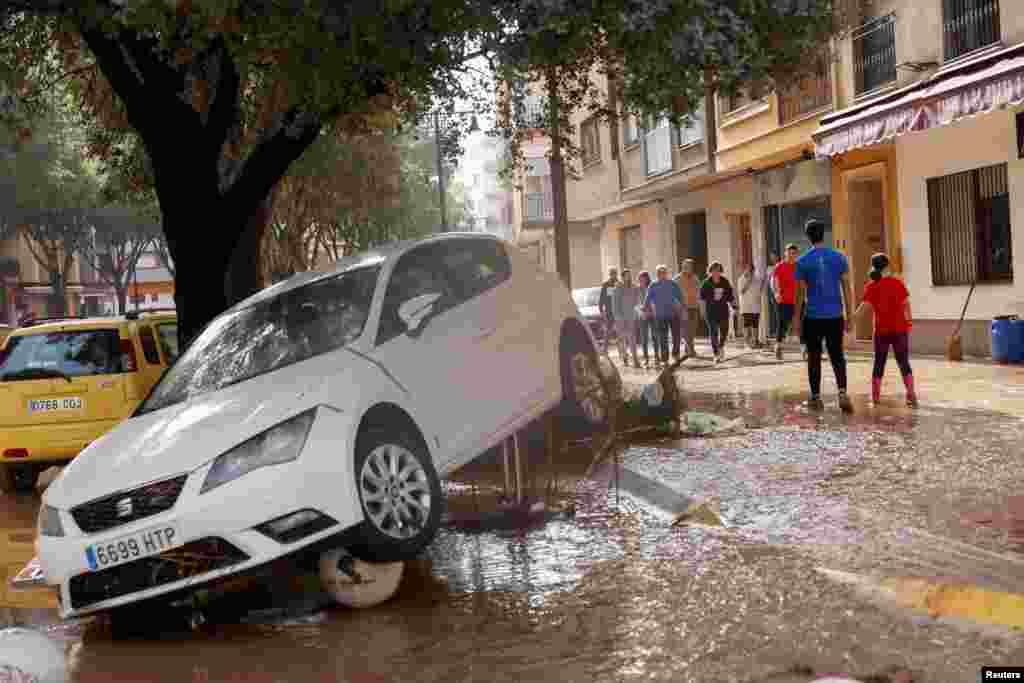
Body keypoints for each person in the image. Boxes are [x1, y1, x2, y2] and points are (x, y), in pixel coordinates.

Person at [794, 219, 853, 412]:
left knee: (814, 356)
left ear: (808, 236)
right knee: (837, 355)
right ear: (824, 233)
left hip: (813, 317)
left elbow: (800, 294)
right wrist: (849, 316)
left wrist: (796, 320)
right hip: (835, 315)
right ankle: (843, 393)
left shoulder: (802, 261)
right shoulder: (839, 257)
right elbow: (846, 287)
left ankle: (816, 397)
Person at [854, 253, 917, 407]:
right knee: (903, 362)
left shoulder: (871, 287)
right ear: (887, 266)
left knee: (879, 363)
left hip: (881, 331)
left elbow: (863, 309)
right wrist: (909, 321)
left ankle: (875, 398)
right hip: (900, 329)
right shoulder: (897, 283)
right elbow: (906, 304)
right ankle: (911, 394)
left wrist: (849, 321)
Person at [644, 265, 682, 366]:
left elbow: (680, 297)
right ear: (657, 274)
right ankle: (665, 359)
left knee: (676, 336)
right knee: (663, 338)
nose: (662, 274)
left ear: (667, 273)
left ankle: (676, 354)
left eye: (664, 272)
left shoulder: (673, 284)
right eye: (660, 273)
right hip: (660, 316)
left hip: (674, 314)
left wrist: (682, 308)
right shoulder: (653, 285)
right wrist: (645, 309)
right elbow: (647, 299)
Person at [699, 262, 735, 364]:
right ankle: (716, 354)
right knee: (713, 333)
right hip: (711, 312)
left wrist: (734, 306)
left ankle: (721, 346)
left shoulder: (725, 282)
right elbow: (701, 299)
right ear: (711, 271)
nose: (716, 272)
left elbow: (730, 296)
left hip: (723, 310)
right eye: (714, 270)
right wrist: (702, 311)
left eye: (718, 270)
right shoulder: (706, 283)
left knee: (724, 331)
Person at [771, 244, 799, 360]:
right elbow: (774, 280)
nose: (791, 255)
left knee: (802, 322)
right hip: (782, 300)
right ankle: (778, 346)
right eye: (789, 253)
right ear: (785, 253)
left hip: (797, 300)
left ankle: (805, 348)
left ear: (797, 254)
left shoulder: (799, 266)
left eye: (794, 253)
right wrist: (777, 293)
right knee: (783, 323)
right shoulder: (779, 266)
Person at [610, 269, 641, 368]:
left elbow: (638, 301)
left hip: (631, 317)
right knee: (622, 339)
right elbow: (614, 304)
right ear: (622, 277)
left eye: (629, 275)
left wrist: (638, 313)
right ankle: (624, 357)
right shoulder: (617, 288)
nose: (629, 277)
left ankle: (635, 359)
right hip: (621, 318)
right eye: (626, 276)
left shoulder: (634, 287)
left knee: (632, 338)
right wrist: (618, 317)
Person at [675, 259, 701, 359]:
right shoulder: (677, 279)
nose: (688, 268)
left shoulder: (695, 278)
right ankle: (690, 349)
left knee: (693, 329)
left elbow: (699, 290)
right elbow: (674, 294)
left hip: (694, 306)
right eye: (686, 266)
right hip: (683, 307)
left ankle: (689, 348)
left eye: (690, 266)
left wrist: (699, 301)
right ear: (683, 267)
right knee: (685, 330)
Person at [737, 260, 766, 349]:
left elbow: (760, 290)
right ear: (745, 269)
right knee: (747, 324)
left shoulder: (757, 279)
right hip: (746, 306)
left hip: (756, 305)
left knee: (755, 324)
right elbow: (742, 291)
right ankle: (747, 342)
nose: (750, 271)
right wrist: (749, 281)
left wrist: (763, 282)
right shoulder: (741, 279)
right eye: (748, 269)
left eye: (751, 270)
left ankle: (755, 341)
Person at [635, 271, 654, 368]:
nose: (642, 280)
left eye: (644, 278)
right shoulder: (637, 289)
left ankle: (657, 357)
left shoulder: (652, 286)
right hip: (642, 316)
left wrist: (652, 312)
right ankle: (646, 358)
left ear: (647, 278)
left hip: (653, 315)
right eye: (640, 278)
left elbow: (655, 300)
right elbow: (635, 303)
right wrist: (641, 313)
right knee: (644, 338)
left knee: (655, 336)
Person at [598, 267, 619, 353]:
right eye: (612, 273)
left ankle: (622, 350)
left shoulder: (619, 284)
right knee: (608, 331)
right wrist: (601, 309)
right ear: (609, 274)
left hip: (618, 311)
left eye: (614, 273)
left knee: (620, 331)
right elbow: (602, 298)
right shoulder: (606, 284)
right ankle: (604, 349)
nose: (613, 275)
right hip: (609, 311)